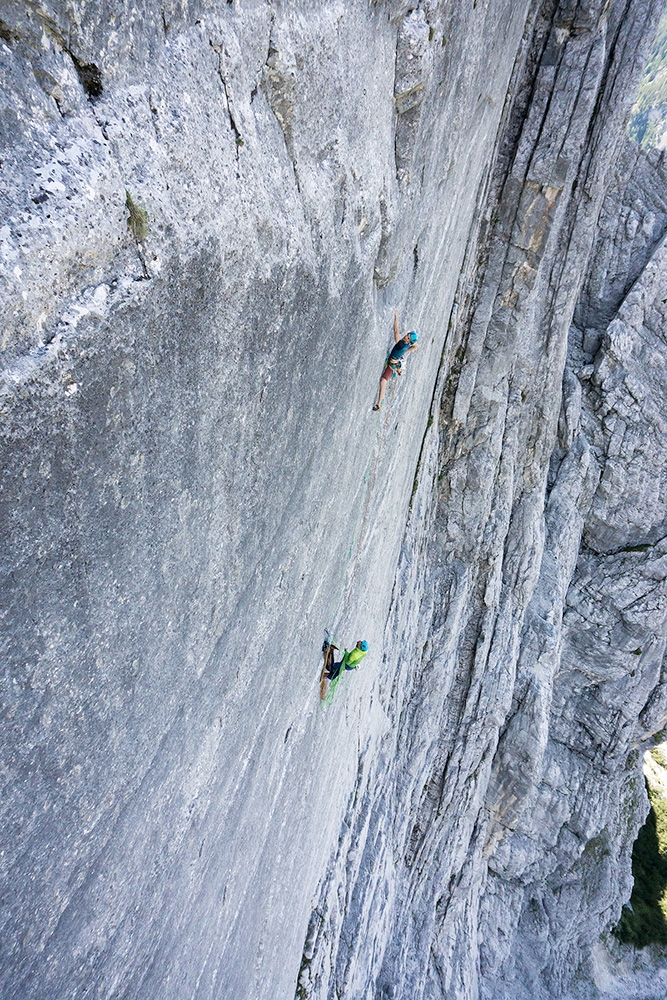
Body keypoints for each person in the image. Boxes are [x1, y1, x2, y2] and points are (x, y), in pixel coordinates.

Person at [373, 310, 418, 410]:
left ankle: (379, 404)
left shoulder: (401, 344)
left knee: (383, 381)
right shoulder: (406, 345)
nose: (405, 336)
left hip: (392, 366)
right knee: (383, 380)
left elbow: (396, 331)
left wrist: (396, 318)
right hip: (396, 361)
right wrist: (411, 343)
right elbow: (416, 346)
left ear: (409, 341)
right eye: (407, 334)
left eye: (408, 337)